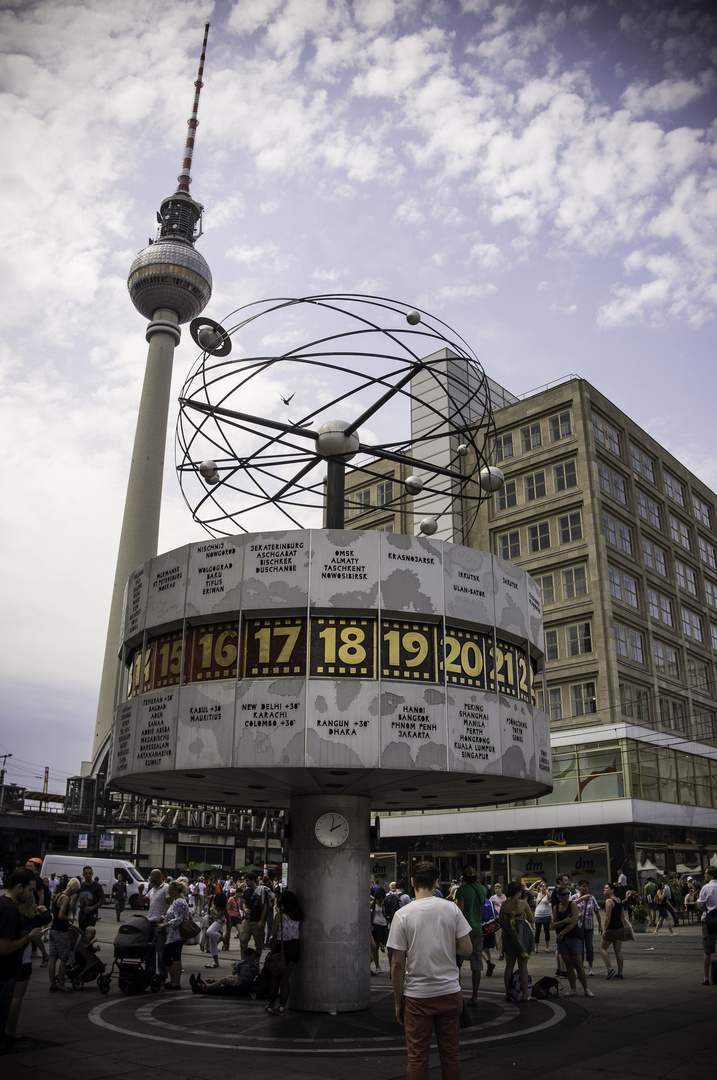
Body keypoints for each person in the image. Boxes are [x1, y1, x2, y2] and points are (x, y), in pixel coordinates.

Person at [388, 861, 471, 1080]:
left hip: (417, 996)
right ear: (436, 883)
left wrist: (398, 1002)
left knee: (417, 1057)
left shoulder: (403, 914)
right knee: (451, 1055)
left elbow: (397, 963)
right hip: (449, 992)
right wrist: (443, 943)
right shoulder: (451, 908)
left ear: (413, 882)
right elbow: (467, 948)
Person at [0, 869, 47, 1043]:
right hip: (5, 973)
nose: (30, 895)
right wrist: (29, 937)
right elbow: (4, 947)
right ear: (19, 887)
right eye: (29, 890)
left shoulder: (3, 903)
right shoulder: (10, 910)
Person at [265, 889, 303, 1016]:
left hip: (282, 948)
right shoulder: (297, 917)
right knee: (285, 979)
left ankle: (271, 1003)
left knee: (275, 977)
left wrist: (271, 948)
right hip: (295, 948)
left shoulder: (280, 916)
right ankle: (282, 1007)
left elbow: (274, 934)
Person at [454, 864, 486, 1007]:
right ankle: (475, 995)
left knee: (457, 963)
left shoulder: (461, 891)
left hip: (463, 931)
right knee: (476, 962)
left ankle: (457, 993)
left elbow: (459, 912)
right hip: (478, 929)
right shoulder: (482, 889)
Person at [499, 879, 536, 1002]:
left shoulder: (504, 904)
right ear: (519, 891)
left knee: (509, 965)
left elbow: (500, 921)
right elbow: (531, 919)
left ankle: (508, 993)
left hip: (509, 936)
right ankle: (525, 994)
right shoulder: (523, 904)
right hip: (522, 936)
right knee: (523, 965)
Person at [552, 885, 592, 997]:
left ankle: (586, 988)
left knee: (578, 964)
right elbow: (554, 924)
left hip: (573, 937)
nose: (566, 896)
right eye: (563, 894)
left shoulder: (572, 904)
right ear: (558, 896)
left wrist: (562, 932)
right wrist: (565, 921)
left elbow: (574, 921)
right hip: (562, 940)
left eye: (568, 894)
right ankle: (573, 988)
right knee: (568, 964)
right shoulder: (556, 908)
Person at [48, 877, 80, 992]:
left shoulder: (58, 895)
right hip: (61, 930)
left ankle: (52, 983)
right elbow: (62, 915)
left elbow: (56, 911)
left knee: (53, 957)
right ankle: (61, 984)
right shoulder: (66, 898)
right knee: (64, 958)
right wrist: (69, 919)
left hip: (53, 929)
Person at [157, 879, 190, 990]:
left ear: (176, 891)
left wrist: (165, 924)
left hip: (177, 934)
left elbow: (178, 919)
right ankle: (174, 981)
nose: (169, 892)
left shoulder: (179, 902)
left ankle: (175, 982)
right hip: (173, 934)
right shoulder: (176, 901)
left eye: (171, 890)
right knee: (174, 957)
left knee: (168, 956)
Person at [190, 947, 260, 995]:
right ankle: (212, 982)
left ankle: (206, 986)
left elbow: (233, 973)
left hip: (240, 982)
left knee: (223, 980)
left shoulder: (241, 963)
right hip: (247, 982)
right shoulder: (255, 965)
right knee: (227, 979)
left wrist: (233, 967)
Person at [142, 869, 171, 983]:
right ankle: (150, 972)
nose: (149, 877)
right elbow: (141, 901)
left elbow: (170, 902)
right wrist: (140, 892)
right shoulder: (152, 889)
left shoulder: (165, 888)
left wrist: (162, 917)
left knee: (160, 950)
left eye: (151, 875)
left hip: (159, 924)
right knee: (149, 949)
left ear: (158, 876)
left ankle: (163, 975)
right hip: (150, 922)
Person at [574, 879, 602, 977]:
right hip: (578, 926)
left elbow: (597, 912)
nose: (585, 888)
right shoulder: (575, 898)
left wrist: (600, 925)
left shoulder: (592, 898)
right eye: (583, 886)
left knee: (589, 946)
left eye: (586, 886)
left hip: (589, 925)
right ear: (579, 887)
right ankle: (580, 966)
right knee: (579, 947)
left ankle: (591, 967)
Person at [240, 872, 269, 961]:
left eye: (248, 881)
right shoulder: (247, 891)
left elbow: (265, 906)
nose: (246, 883)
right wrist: (244, 909)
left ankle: (256, 962)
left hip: (257, 920)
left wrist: (261, 920)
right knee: (243, 940)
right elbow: (244, 903)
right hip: (247, 920)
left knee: (258, 943)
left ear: (253, 880)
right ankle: (243, 961)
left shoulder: (261, 891)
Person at [599, 882, 625, 979]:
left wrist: (605, 929)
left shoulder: (609, 901)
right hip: (620, 927)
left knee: (602, 948)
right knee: (618, 950)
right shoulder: (619, 900)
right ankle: (620, 972)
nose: (604, 890)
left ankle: (610, 969)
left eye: (606, 888)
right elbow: (622, 916)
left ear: (612, 890)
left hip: (612, 928)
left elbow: (607, 917)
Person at [697, 866, 717, 985]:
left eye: (706, 874)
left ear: (711, 875)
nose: (704, 875)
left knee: (707, 950)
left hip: (709, 920)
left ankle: (706, 977)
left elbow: (700, 903)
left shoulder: (706, 887)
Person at [205, 889, 228, 969]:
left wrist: (227, 933)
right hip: (214, 921)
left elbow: (228, 919)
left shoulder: (223, 907)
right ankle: (216, 962)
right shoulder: (212, 899)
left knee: (209, 932)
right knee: (212, 941)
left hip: (220, 921)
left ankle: (222, 939)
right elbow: (209, 909)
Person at [77, 866, 105, 933]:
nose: (88, 875)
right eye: (86, 873)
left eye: (90, 873)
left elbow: (103, 900)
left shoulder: (97, 886)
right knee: (81, 933)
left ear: (92, 874)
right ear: (83, 875)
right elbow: (74, 898)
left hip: (91, 916)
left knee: (88, 934)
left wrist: (92, 907)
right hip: (82, 915)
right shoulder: (81, 885)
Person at [370, 887, 389, 975]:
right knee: (375, 946)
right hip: (376, 925)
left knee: (387, 945)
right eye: (378, 898)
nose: (380, 900)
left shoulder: (386, 904)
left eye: (381, 898)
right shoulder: (373, 903)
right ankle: (377, 966)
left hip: (384, 925)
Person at [531, 882, 552, 953]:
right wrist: (536, 883)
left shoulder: (547, 894)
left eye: (544, 886)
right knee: (537, 932)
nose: (542, 887)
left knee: (547, 931)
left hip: (546, 914)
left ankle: (547, 947)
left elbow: (550, 897)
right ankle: (536, 947)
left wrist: (545, 889)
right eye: (541, 886)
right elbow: (529, 890)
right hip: (538, 915)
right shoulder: (537, 894)